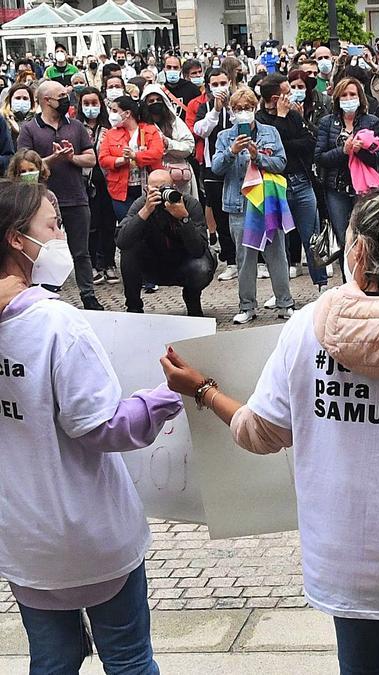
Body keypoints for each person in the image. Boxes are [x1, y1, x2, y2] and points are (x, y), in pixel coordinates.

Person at [159, 186, 379, 675]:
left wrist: (203, 389)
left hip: (342, 555)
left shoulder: (306, 327)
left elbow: (259, 433)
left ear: (357, 251)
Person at [0, 180, 180, 675]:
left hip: (22, 537)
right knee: (129, 659)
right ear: (18, 239)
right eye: (52, 226)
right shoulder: (55, 324)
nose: (61, 236)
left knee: (52, 659)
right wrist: (163, 398)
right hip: (90, 533)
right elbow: (99, 427)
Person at [211, 86, 294, 324]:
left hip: (267, 202)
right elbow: (216, 168)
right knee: (245, 259)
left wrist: (258, 157)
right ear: (231, 112)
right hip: (239, 204)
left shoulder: (270, 133)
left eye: (247, 108)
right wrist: (232, 151)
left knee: (277, 254)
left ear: (255, 108)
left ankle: (285, 303)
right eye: (238, 109)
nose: (243, 113)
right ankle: (247, 306)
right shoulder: (225, 136)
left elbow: (281, 163)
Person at [19, 80, 103, 311]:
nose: (66, 99)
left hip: (76, 196)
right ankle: (41, 298)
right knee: (41, 253)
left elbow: (91, 158)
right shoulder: (29, 128)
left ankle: (89, 296)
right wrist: (50, 161)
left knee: (81, 251)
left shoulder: (75, 126)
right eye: (61, 96)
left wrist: (71, 158)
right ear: (47, 100)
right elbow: (23, 164)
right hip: (40, 201)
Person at [255, 73, 328, 293]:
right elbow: (274, 147)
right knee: (279, 243)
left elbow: (309, 142)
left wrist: (288, 131)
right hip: (277, 186)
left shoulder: (294, 115)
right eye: (286, 92)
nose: (292, 96)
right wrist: (281, 118)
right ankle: (282, 291)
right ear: (275, 97)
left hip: (302, 182)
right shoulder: (260, 119)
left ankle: (322, 284)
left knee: (312, 236)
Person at [115, 169, 214, 316]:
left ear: (174, 187)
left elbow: (199, 249)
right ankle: (134, 308)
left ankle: (192, 301)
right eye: (154, 190)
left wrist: (184, 219)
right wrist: (145, 211)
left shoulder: (189, 203)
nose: (159, 194)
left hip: (183, 262)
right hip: (152, 265)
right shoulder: (141, 204)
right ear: (146, 190)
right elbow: (122, 241)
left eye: (163, 188)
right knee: (129, 250)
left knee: (202, 266)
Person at [315, 77, 379, 256]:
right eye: (344, 95)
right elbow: (320, 158)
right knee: (344, 238)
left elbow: (377, 158)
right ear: (337, 99)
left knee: (366, 236)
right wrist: (343, 151)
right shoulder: (327, 122)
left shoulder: (372, 122)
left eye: (352, 94)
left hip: (364, 189)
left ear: (360, 97)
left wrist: (360, 151)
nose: (348, 98)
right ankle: (348, 280)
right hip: (337, 189)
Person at [192, 68, 237, 282]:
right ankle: (231, 261)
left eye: (223, 83)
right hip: (213, 167)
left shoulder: (238, 102)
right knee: (221, 215)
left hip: (239, 167)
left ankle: (257, 261)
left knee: (243, 215)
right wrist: (216, 111)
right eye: (215, 84)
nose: (220, 88)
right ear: (209, 86)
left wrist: (231, 109)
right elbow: (200, 130)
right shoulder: (205, 107)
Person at [75, 85, 117, 286]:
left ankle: (108, 263)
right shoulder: (75, 127)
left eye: (94, 103)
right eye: (86, 104)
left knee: (108, 224)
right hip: (85, 183)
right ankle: (91, 264)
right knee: (90, 225)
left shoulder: (109, 126)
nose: (91, 107)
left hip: (109, 182)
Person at [140, 83, 196, 198]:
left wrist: (169, 144)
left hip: (179, 174)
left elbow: (189, 146)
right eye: (151, 101)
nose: (155, 103)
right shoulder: (142, 126)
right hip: (152, 176)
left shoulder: (175, 121)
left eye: (158, 100)